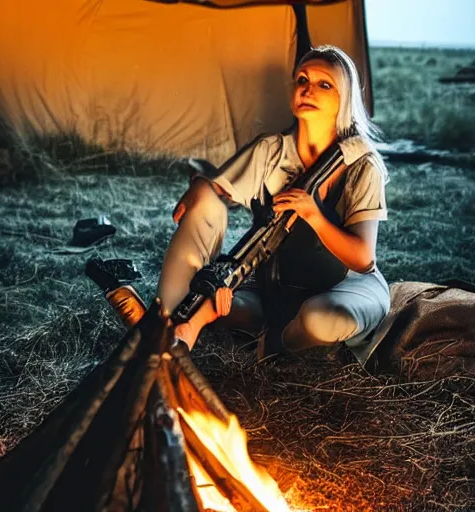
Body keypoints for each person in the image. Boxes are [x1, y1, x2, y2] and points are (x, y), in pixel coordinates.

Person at [156, 45, 391, 360]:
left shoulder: (362, 165)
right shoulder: (270, 151)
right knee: (206, 217)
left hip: (347, 285)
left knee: (321, 320)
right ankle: (169, 328)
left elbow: (363, 259)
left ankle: (283, 343)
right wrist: (202, 187)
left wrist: (314, 216)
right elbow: (216, 196)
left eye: (325, 85)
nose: (308, 89)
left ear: (344, 99)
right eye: (302, 80)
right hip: (274, 290)